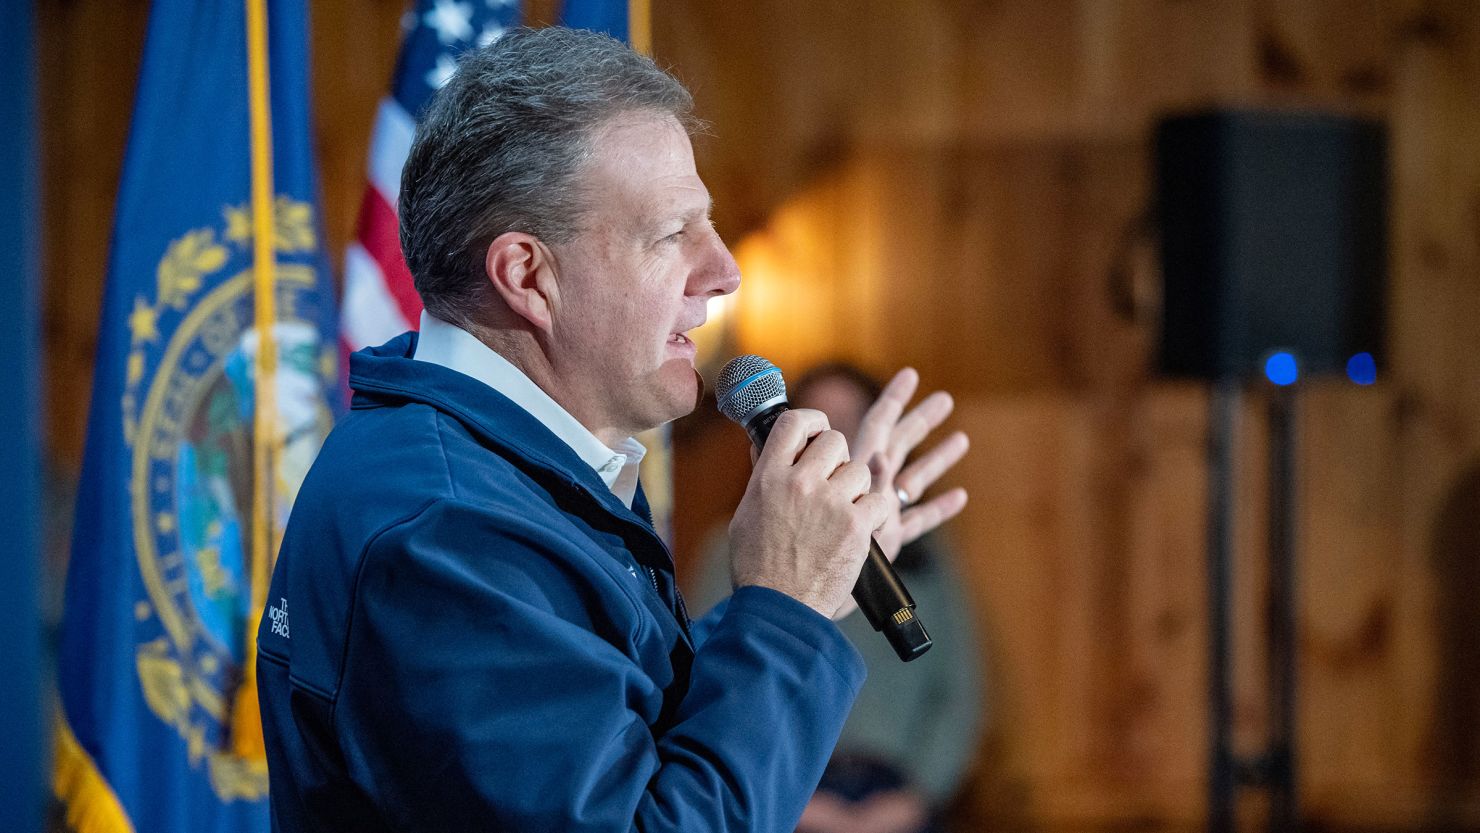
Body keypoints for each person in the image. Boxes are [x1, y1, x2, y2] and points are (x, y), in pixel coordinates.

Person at [256, 27, 969, 833]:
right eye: (671, 234)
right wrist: (786, 607)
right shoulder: (448, 531)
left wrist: (822, 569)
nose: (725, 270)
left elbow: (626, 737)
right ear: (529, 275)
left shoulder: (502, 474)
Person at [692, 363, 985, 833]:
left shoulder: (922, 556)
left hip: (895, 792)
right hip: (781, 789)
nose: (837, 438)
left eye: (851, 420)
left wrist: (917, 796)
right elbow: (705, 675)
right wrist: (795, 801)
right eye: (823, 419)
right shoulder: (728, 547)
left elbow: (958, 692)